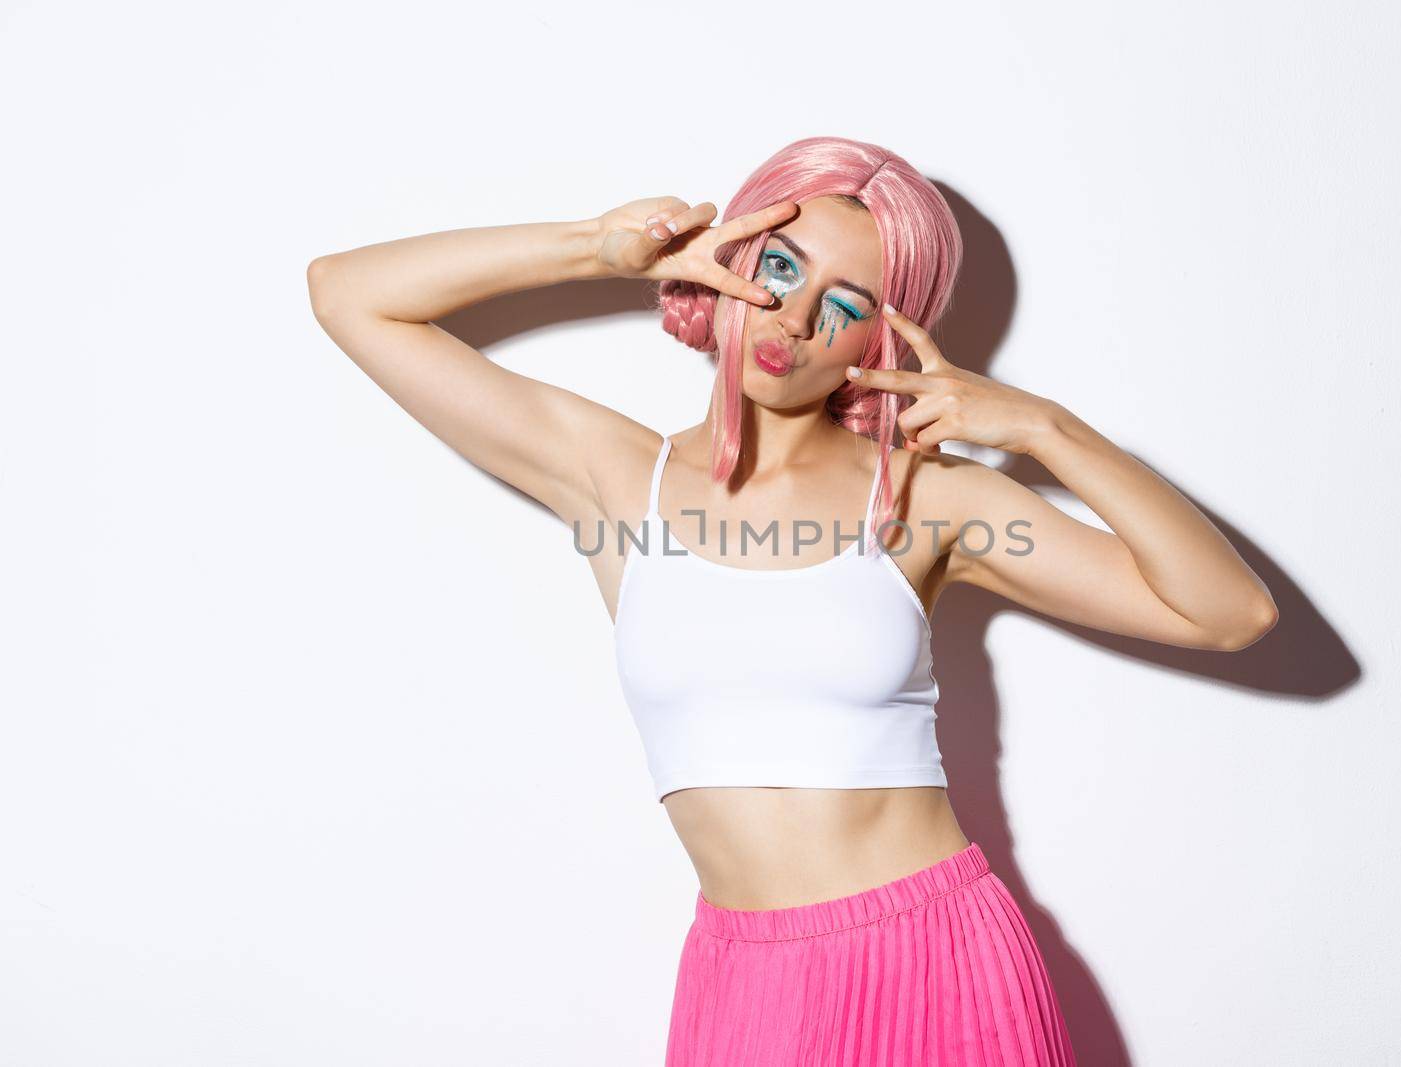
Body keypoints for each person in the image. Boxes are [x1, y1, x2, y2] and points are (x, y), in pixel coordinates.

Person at [306, 135, 1277, 1065]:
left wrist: (1046, 428)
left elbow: (1227, 610)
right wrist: (598, 247)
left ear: (882, 333)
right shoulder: (613, 474)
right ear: (734, 257)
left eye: (843, 301)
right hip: (741, 985)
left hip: (934, 961)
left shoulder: (921, 499)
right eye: (778, 268)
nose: (793, 319)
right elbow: (348, 295)